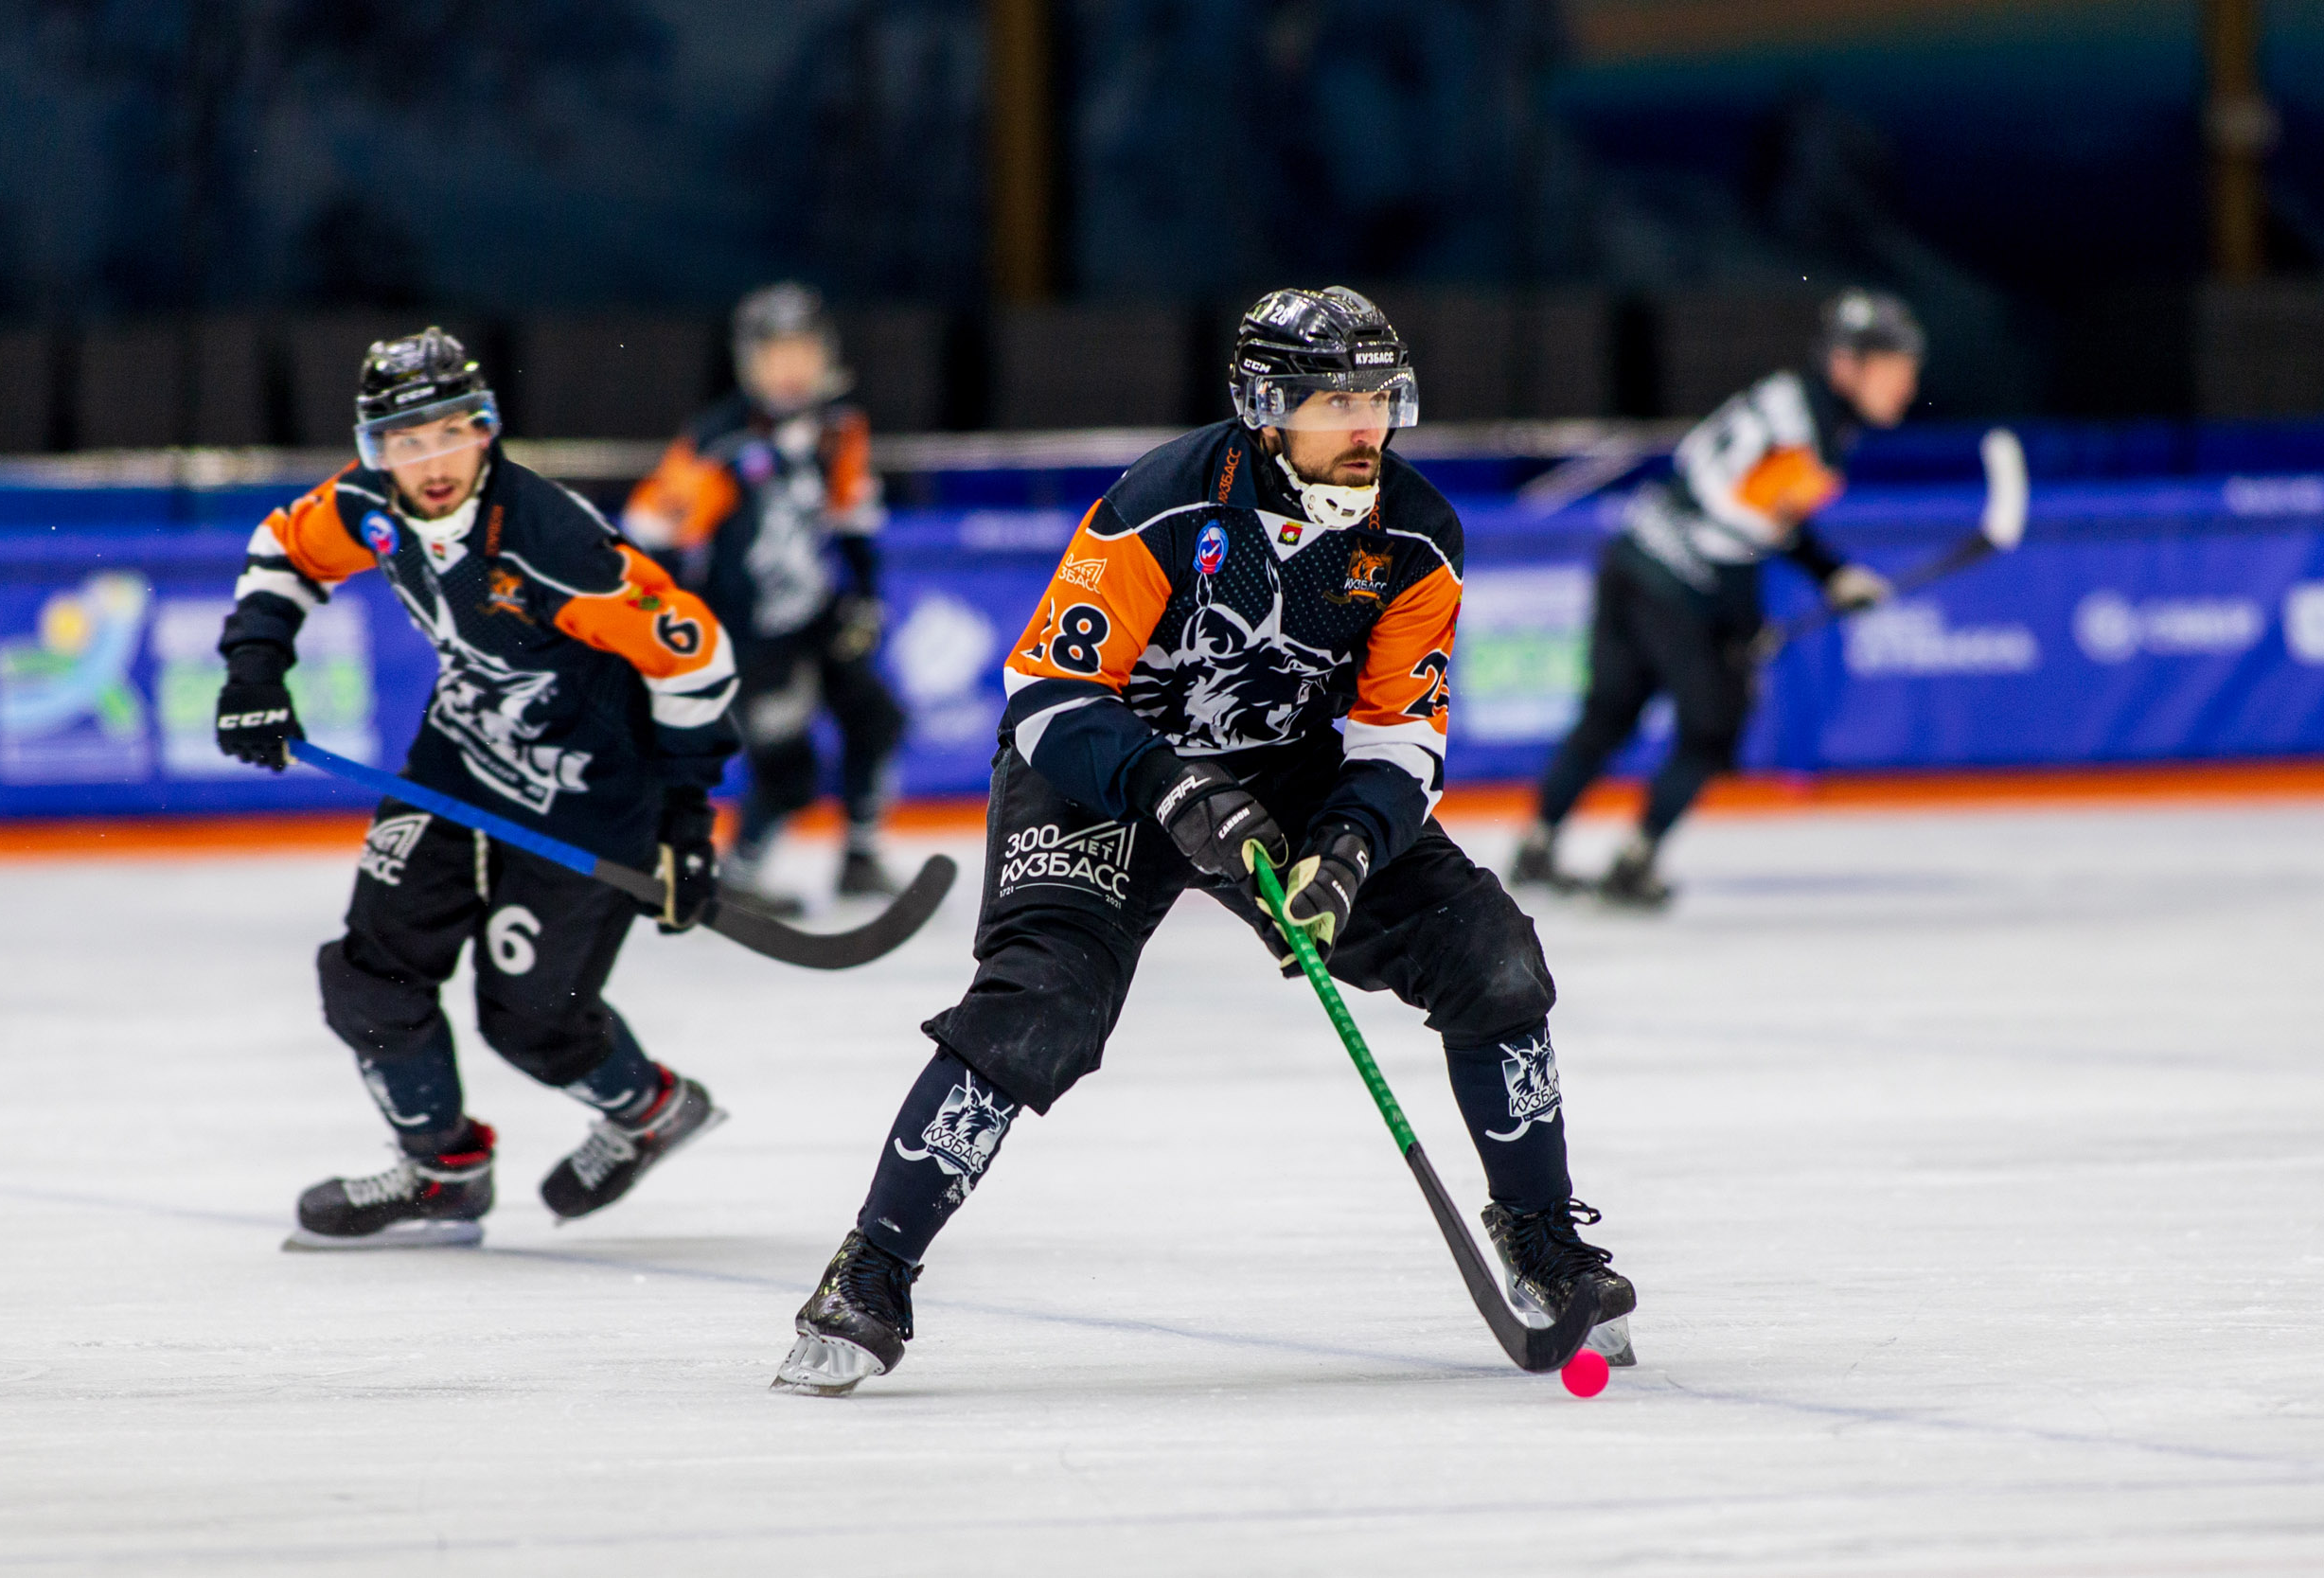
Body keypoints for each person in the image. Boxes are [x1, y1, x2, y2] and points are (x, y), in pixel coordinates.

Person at [770, 287, 1637, 1397]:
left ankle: (1540, 1237)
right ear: (1266, 409)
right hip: (1100, 772)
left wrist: (1346, 853)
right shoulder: (1164, 503)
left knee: (1493, 957)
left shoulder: (1416, 535)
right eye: (1336, 401)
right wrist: (1171, 791)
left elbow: (1397, 738)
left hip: (1281, 769)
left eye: (1379, 397)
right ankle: (870, 1267)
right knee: (1040, 1009)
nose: (1366, 425)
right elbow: (1045, 693)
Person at [216, 328, 740, 1248]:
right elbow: (285, 547)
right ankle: (440, 1168)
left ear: (487, 430)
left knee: (532, 1017)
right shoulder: (370, 505)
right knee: (369, 978)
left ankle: (648, 1108)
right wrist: (257, 667)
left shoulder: (551, 542)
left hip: (588, 792)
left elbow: (694, 658)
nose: (431, 462)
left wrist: (686, 818)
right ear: (377, 448)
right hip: (458, 759)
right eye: (406, 441)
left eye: (451, 433)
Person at [1509, 289, 1919, 907]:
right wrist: (1744, 628)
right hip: (1679, 579)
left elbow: (1756, 510)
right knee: (1711, 727)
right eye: (1895, 368)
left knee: (1609, 714)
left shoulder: (1793, 401)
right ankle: (1634, 862)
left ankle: (1536, 847)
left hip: (1632, 557)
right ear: (1847, 364)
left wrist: (1831, 574)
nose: (1907, 386)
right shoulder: (1816, 434)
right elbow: (1741, 527)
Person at [622, 282, 905, 916]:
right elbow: (650, 536)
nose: (791, 366)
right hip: (747, 631)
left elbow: (854, 516)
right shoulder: (718, 441)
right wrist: (668, 627)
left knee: (876, 717)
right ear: (748, 361)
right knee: (788, 768)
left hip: (814, 610)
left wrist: (863, 598)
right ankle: (740, 874)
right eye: (774, 352)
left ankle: (860, 857)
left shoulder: (837, 426)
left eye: (802, 349)